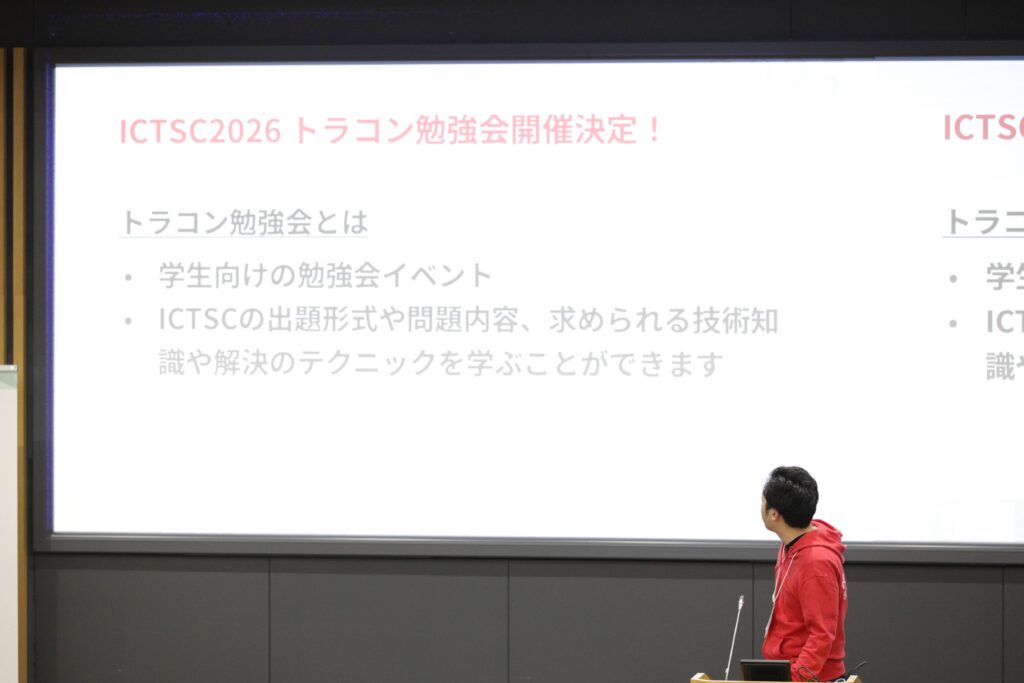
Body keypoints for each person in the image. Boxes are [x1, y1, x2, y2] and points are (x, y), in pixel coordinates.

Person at [761, 466, 847, 682]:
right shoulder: (793, 540)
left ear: (774, 514)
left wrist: (795, 679)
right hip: (786, 668)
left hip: (809, 677)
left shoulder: (816, 563)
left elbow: (821, 636)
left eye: (762, 501)